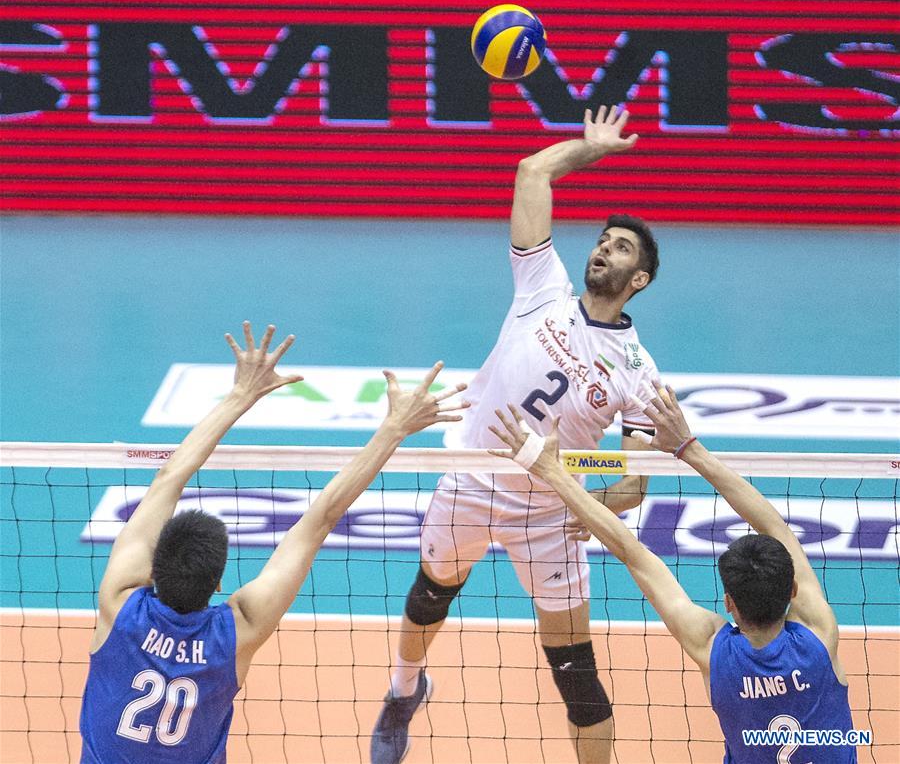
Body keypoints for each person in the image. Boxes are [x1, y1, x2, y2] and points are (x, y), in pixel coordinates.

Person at [371, 106, 661, 764]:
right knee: (427, 597)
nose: (603, 248)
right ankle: (403, 690)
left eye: (620, 247)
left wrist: (599, 499)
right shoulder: (542, 288)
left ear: (637, 279)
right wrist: (591, 150)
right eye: (603, 238)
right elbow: (532, 171)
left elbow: (634, 478)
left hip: (550, 516)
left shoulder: (637, 370)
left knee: (577, 676)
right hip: (470, 480)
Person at [79, 322, 467, 764]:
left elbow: (168, 478)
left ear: (154, 565)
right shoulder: (237, 631)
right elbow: (319, 520)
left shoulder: (120, 604)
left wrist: (238, 396)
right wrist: (393, 430)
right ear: (220, 580)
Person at [488, 388, 858, 763]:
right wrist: (688, 448)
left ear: (729, 602)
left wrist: (553, 472)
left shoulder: (713, 650)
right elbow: (774, 525)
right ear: (793, 590)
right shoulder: (817, 635)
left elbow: (635, 556)